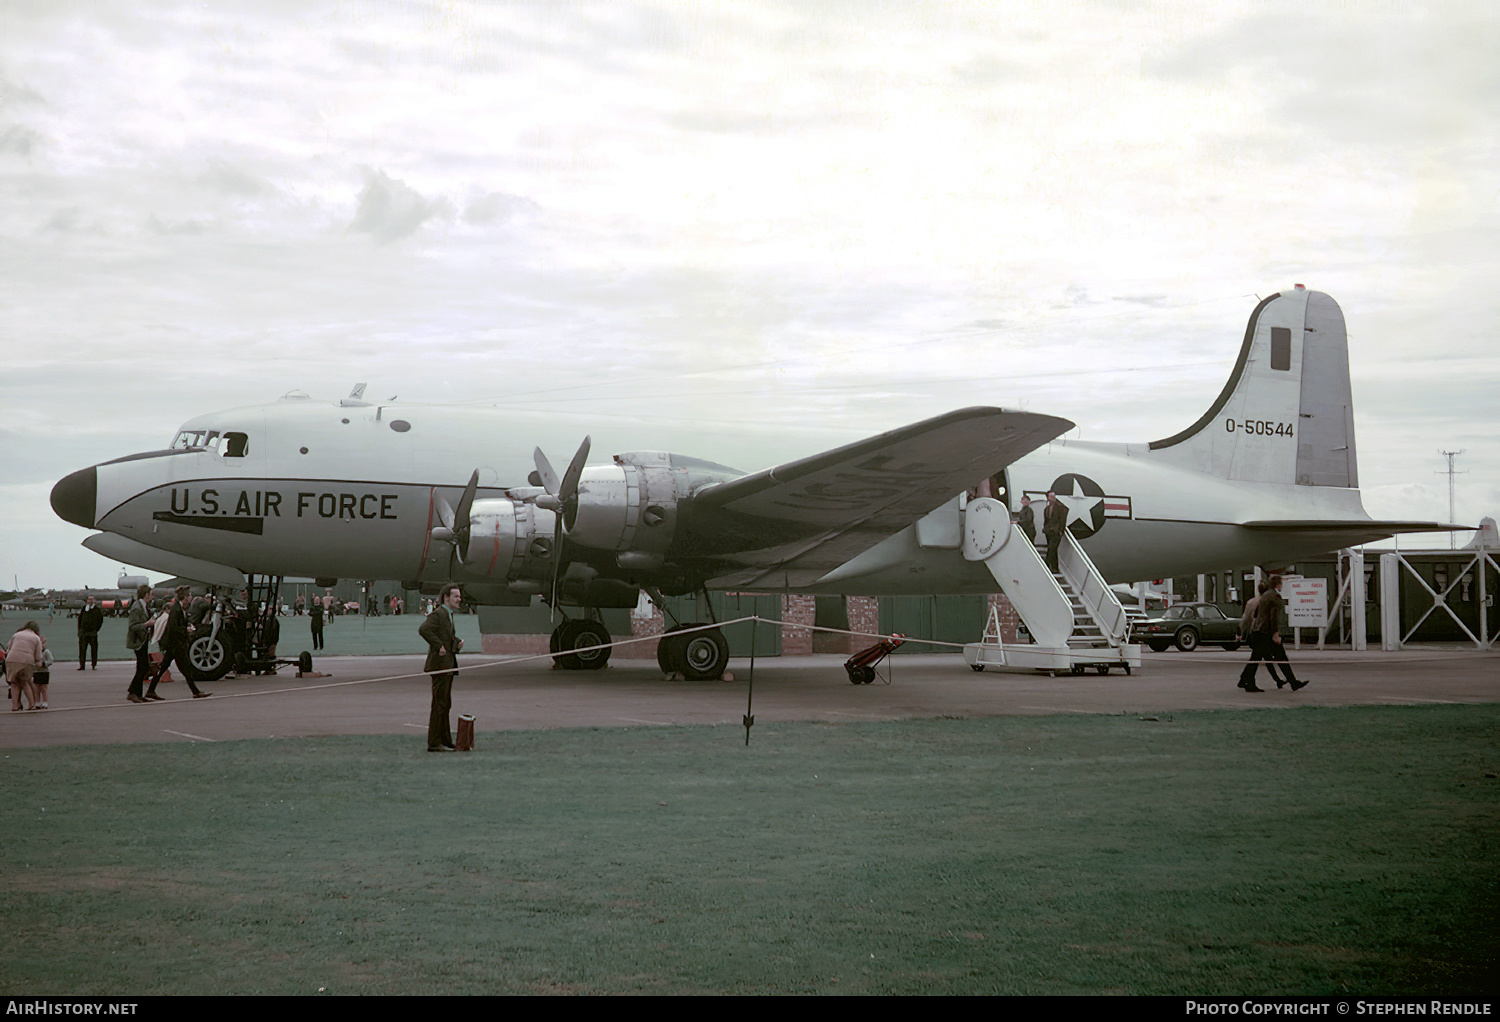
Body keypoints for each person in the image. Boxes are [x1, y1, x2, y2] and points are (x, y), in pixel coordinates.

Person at [1238, 575, 1306, 693]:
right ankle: (1293, 682)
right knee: (1280, 657)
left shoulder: (1264, 596)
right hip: (1267, 633)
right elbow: (1274, 617)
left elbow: (1256, 615)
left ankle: (1245, 679)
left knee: (1257, 657)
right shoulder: (1274, 597)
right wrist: (1275, 633)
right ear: (1277, 585)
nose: (1282, 586)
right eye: (1281, 584)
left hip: (1260, 631)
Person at [419, 583, 464, 752]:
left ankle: (445, 740)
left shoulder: (447, 615)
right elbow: (424, 630)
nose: (459, 599)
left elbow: (445, 635)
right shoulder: (438, 614)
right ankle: (434, 742)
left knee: (445, 703)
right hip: (440, 666)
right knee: (439, 704)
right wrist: (439, 646)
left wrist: (456, 642)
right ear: (446, 598)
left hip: (448, 665)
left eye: (459, 596)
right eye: (456, 596)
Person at [146, 586, 210, 700]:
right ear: (185, 597)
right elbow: (173, 628)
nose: (191, 597)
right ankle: (196, 692)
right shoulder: (176, 610)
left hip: (174, 646)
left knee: (167, 668)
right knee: (185, 669)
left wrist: (186, 626)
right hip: (176, 645)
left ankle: (151, 690)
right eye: (189, 595)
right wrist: (186, 630)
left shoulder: (178, 608)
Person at [7, 621, 44, 711]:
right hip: (26, 661)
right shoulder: (36, 638)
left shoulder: (17, 635)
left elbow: (9, 646)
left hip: (11, 659)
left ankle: (15, 706)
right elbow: (38, 655)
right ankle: (31, 705)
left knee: (14, 683)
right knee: (25, 683)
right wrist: (38, 663)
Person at [125, 585, 154, 703]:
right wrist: (147, 624)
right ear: (146, 594)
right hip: (138, 641)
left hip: (143, 640)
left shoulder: (143, 606)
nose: (152, 596)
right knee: (142, 667)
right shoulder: (137, 607)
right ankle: (133, 692)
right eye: (151, 594)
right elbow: (132, 626)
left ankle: (137, 693)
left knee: (143, 667)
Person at [1042, 490, 1067, 572]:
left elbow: (1063, 519)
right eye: (1051, 496)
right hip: (1049, 532)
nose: (1054, 498)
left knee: (1051, 548)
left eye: (1054, 496)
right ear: (1047, 497)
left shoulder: (1060, 507)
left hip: (1056, 532)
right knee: (1053, 549)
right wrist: (1045, 528)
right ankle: (1055, 568)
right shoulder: (1046, 509)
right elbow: (1046, 520)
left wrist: (1060, 531)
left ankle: (1046, 563)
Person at [77, 595, 103, 670]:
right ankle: (82, 665)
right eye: (89, 599)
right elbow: (80, 620)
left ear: (94, 600)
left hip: (92, 633)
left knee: (94, 650)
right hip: (83, 633)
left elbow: (100, 621)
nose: (90, 601)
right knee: (82, 649)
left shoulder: (97, 610)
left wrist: (96, 629)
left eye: (92, 599)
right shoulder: (84, 609)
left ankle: (93, 665)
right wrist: (80, 631)